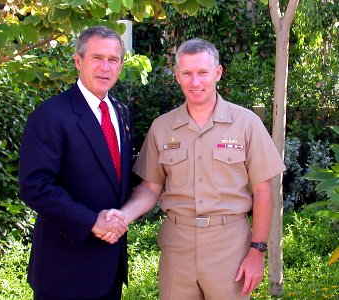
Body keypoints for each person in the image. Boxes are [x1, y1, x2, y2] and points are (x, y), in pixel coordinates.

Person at [104, 38, 286, 300]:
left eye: (202, 73)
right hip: (178, 247)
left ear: (218, 73)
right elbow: (150, 187)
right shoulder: (162, 127)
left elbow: (263, 191)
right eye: (187, 73)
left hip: (230, 247)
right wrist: (123, 215)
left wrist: (257, 251)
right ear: (177, 75)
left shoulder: (246, 123)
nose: (195, 82)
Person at [18, 26, 131, 300]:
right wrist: (92, 221)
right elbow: (35, 187)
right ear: (78, 61)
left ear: (121, 65)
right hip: (65, 270)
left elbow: (116, 177)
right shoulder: (50, 115)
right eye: (97, 58)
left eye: (113, 60)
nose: (105, 67)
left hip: (110, 266)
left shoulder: (122, 112)